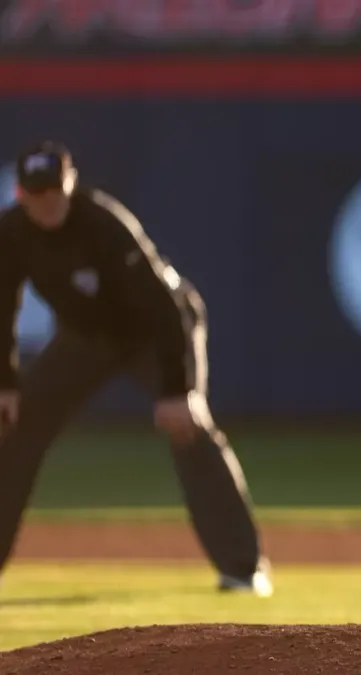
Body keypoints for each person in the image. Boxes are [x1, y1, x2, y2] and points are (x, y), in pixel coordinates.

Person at [0, 142, 272, 597]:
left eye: (54, 193)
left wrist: (177, 389)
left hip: (156, 332)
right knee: (14, 425)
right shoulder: (12, 233)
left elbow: (164, 308)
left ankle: (244, 568)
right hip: (87, 338)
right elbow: (1, 309)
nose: (46, 204)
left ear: (69, 188)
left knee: (189, 427)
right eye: (36, 194)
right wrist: (5, 383)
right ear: (22, 195)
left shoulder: (104, 224)